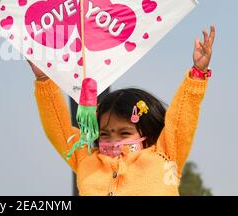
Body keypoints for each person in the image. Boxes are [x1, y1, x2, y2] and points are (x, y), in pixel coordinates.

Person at [29, 25, 215, 195]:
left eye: (124, 132)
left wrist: (197, 75)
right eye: (105, 134)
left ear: (146, 131)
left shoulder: (165, 157)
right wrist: (44, 79)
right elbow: (60, 129)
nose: (113, 141)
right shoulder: (87, 161)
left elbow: (181, 122)